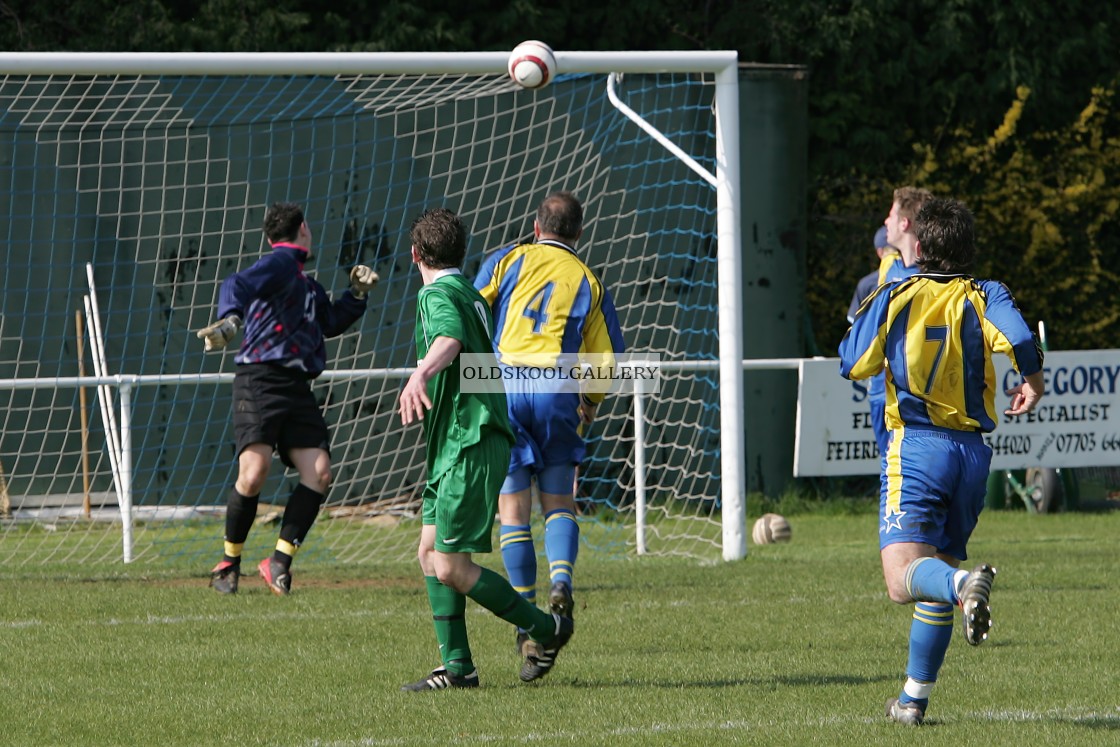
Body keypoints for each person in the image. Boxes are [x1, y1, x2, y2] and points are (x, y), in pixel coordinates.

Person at [838, 197, 1045, 726]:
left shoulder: (894, 293)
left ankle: (961, 588)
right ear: (969, 249)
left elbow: (853, 363)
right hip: (973, 455)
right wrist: (1033, 380)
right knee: (936, 567)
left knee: (904, 578)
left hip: (918, 446)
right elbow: (1020, 337)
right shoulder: (985, 294)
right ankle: (912, 701)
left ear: (920, 247)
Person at [397, 207, 573, 690]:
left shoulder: (437, 293)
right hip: (459, 439)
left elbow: (449, 338)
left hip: (468, 440)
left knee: (451, 566)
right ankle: (458, 668)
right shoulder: (471, 292)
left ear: (416, 255)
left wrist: (420, 374)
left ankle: (546, 629)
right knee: (429, 552)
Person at [473, 191, 625, 668]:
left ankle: (526, 624)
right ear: (578, 233)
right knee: (559, 502)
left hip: (504, 384)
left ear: (536, 226)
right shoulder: (588, 280)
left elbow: (471, 310)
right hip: (558, 387)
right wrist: (591, 402)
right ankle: (562, 580)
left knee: (513, 511)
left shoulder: (507, 259)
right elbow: (607, 360)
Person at [197, 202, 379, 595]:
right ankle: (228, 563)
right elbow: (235, 285)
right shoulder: (281, 263)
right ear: (304, 230)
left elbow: (329, 322)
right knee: (253, 472)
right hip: (260, 380)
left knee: (319, 472)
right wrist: (230, 320)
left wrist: (357, 295)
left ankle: (278, 560)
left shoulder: (305, 284)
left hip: (296, 387)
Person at [847, 187, 933, 458]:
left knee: (906, 481)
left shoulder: (935, 281)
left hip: (916, 401)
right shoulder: (889, 267)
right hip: (882, 396)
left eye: (891, 214)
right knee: (890, 471)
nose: (886, 221)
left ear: (904, 223)